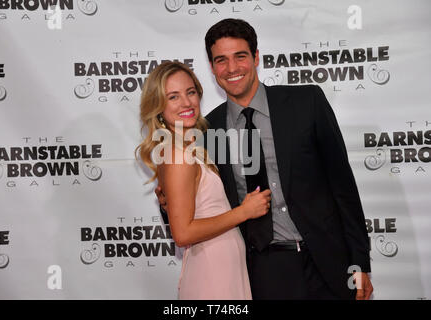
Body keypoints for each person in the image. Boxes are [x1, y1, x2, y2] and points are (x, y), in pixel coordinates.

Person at [156, 18, 373, 300]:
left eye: (240, 56)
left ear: (256, 57)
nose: (231, 68)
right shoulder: (208, 131)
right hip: (262, 271)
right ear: (211, 68)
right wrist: (166, 203)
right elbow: (196, 206)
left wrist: (360, 262)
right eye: (221, 60)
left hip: (329, 262)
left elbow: (343, 188)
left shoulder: (307, 102)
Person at [135, 61, 271, 299]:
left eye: (190, 92)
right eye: (173, 97)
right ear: (158, 107)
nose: (187, 103)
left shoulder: (190, 147)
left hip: (221, 267)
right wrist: (244, 211)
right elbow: (183, 234)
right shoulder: (178, 155)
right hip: (212, 273)